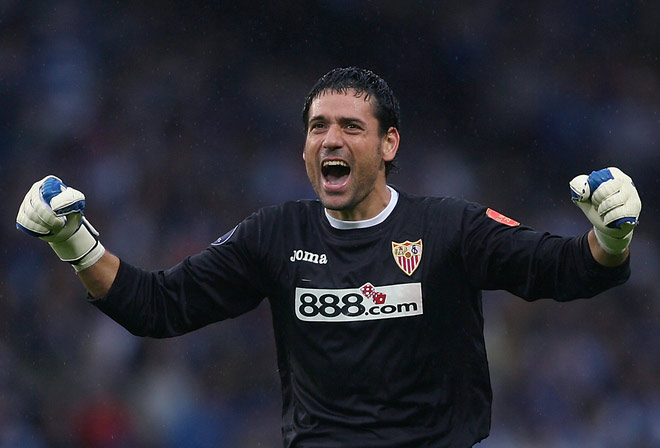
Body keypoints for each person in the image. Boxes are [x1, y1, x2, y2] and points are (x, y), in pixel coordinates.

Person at [16, 67, 642, 447]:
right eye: (318, 126)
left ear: (389, 144)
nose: (330, 139)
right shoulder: (274, 234)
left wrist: (611, 236)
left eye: (350, 126)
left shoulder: (449, 227)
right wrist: (72, 240)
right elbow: (157, 306)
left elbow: (569, 269)